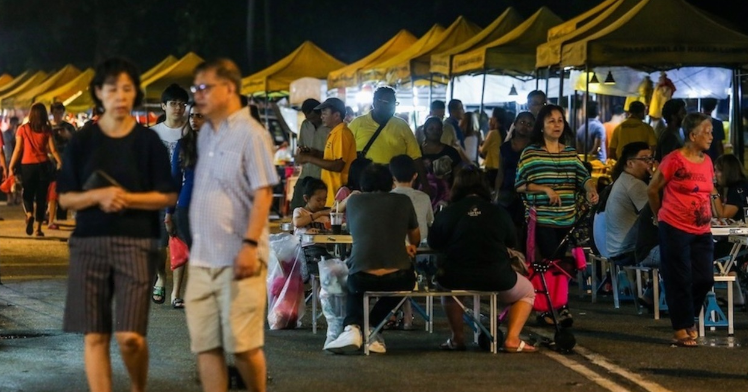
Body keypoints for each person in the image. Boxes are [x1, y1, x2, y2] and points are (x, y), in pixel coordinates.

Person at [58, 57, 178, 392]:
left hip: (135, 244)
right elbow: (66, 197)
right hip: (89, 244)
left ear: (135, 93)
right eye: (113, 88)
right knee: (95, 335)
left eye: (127, 88)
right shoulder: (83, 141)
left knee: (130, 338)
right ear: (99, 92)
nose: (120, 95)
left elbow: (167, 196)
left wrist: (126, 198)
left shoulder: (147, 141)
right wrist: (97, 197)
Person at [187, 58, 278, 392]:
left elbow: (263, 194)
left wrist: (250, 245)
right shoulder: (206, 134)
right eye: (195, 89)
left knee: (242, 345)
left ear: (228, 88)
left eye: (204, 87)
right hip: (202, 259)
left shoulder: (251, 134)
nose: (197, 95)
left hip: (238, 257)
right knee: (205, 345)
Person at [429, 166, 536, 352]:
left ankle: (457, 338)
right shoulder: (498, 212)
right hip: (497, 276)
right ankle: (512, 339)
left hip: (456, 276)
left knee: (447, 288)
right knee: (527, 291)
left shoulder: (448, 212)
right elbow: (512, 241)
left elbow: (434, 243)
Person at [515, 104, 599, 326]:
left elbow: (583, 177)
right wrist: (544, 189)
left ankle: (561, 307)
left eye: (560, 120)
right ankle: (545, 309)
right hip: (541, 220)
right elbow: (520, 185)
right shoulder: (530, 153)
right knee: (546, 265)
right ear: (541, 126)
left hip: (567, 220)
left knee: (562, 266)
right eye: (551, 120)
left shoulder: (570, 153)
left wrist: (591, 189)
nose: (556, 125)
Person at [324, 164, 419, 354]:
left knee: (354, 280)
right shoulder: (403, 200)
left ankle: (353, 328)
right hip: (398, 276)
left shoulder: (354, 202)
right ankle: (373, 327)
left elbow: (355, 231)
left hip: (362, 276)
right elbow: (415, 236)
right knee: (408, 282)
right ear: (390, 182)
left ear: (363, 183)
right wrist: (408, 245)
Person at [647, 112, 714, 347]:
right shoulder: (674, 160)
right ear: (692, 134)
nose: (711, 136)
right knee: (680, 278)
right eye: (707, 132)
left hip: (702, 229)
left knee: (705, 278)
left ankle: (688, 316)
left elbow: (707, 194)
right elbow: (653, 189)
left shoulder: (707, 162)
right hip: (674, 226)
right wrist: (660, 217)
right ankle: (681, 327)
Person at [348, 86, 431, 196]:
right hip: (364, 183)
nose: (392, 107)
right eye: (388, 102)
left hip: (394, 183)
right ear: (375, 102)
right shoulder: (357, 124)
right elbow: (346, 154)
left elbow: (415, 156)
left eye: (394, 103)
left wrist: (425, 185)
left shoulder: (402, 126)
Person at [151, 83, 189, 305]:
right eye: (173, 103)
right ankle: (161, 278)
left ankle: (176, 293)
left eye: (181, 104)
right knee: (158, 246)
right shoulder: (151, 134)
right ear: (163, 106)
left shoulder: (191, 133)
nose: (178, 108)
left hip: (184, 196)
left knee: (181, 243)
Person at [164, 103, 204, 309]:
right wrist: (169, 213)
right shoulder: (183, 144)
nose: (195, 120)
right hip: (186, 207)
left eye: (200, 116)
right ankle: (178, 293)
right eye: (192, 116)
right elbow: (174, 179)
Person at [9, 103, 62, 237]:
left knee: (27, 194)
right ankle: (38, 229)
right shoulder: (46, 129)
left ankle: (29, 214)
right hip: (43, 165)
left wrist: (11, 166)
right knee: (41, 198)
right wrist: (61, 161)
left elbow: (18, 149)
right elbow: (53, 149)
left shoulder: (22, 129)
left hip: (27, 166)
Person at [295, 97, 356, 207]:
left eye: (325, 113)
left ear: (336, 115)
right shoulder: (334, 133)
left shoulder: (341, 133)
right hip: (332, 192)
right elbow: (332, 158)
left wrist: (308, 158)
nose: (321, 116)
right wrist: (315, 153)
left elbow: (338, 165)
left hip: (337, 192)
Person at [604, 142, 654, 265]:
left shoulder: (624, 179)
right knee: (678, 255)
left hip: (616, 251)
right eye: (645, 159)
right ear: (630, 163)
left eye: (651, 158)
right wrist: (657, 180)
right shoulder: (635, 184)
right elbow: (656, 214)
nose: (650, 163)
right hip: (629, 253)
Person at [495, 112, 534, 244]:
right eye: (522, 122)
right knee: (505, 227)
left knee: (525, 229)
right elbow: (501, 172)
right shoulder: (505, 148)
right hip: (507, 191)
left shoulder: (535, 148)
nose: (525, 126)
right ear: (515, 124)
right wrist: (496, 192)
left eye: (529, 124)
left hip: (528, 193)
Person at [291, 99, 331, 210]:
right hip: (305, 174)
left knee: (319, 208)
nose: (311, 121)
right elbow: (301, 146)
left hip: (322, 176)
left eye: (313, 118)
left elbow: (334, 156)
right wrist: (303, 153)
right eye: (308, 118)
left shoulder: (330, 127)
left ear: (320, 113)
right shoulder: (305, 125)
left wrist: (315, 154)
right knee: (297, 207)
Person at [420, 117, 464, 209]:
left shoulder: (451, 152)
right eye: (431, 129)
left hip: (446, 199)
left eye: (438, 129)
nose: (434, 131)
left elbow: (458, 176)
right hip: (421, 198)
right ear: (424, 131)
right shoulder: (417, 152)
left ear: (442, 131)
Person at [47, 102, 77, 230]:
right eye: (55, 112)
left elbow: (77, 143)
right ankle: (48, 216)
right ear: (52, 113)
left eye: (60, 112)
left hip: (65, 163)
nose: (58, 115)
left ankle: (62, 216)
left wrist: (68, 136)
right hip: (50, 163)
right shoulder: (47, 127)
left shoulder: (69, 127)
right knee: (50, 191)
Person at [479, 108, 506, 189]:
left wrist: (478, 144)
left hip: (491, 167)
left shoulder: (493, 133)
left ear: (495, 118)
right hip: (501, 167)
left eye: (491, 117)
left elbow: (482, 150)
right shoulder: (505, 132)